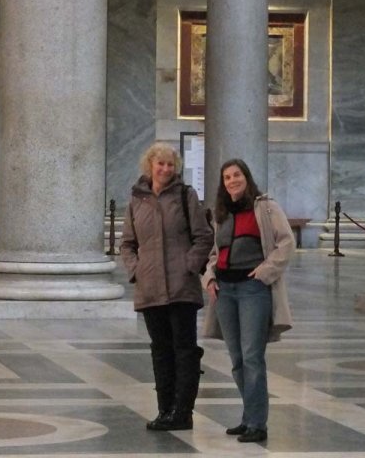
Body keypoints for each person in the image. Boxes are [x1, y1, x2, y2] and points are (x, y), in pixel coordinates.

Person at [120, 141, 214, 432]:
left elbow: (204, 236)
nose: (165, 169)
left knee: (184, 349)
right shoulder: (137, 199)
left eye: (170, 164)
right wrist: (136, 269)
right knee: (160, 350)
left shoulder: (186, 196)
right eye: (160, 163)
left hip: (181, 287)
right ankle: (165, 410)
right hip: (150, 288)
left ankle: (183, 412)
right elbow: (127, 243)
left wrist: (190, 265)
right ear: (150, 166)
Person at [202, 158, 295, 444]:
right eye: (227, 177)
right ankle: (248, 417)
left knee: (253, 356)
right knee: (237, 359)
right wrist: (209, 278)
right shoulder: (220, 213)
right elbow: (214, 253)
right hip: (225, 291)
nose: (232, 180)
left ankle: (258, 423)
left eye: (237, 175)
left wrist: (264, 272)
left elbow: (286, 242)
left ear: (246, 176)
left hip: (253, 289)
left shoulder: (265, 207)